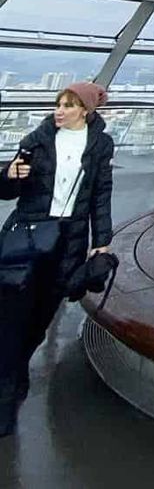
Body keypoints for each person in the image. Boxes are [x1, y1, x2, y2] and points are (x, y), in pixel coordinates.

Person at [0, 82, 113, 437]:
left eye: (69, 105)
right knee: (11, 321)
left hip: (68, 243)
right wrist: (8, 175)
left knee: (39, 322)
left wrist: (102, 241)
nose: (59, 110)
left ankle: (16, 376)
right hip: (27, 237)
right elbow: (7, 191)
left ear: (86, 110)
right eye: (58, 104)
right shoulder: (36, 140)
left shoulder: (99, 145)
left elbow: (100, 194)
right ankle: (5, 400)